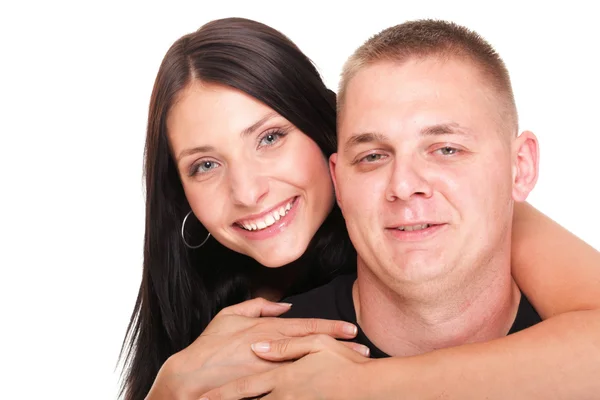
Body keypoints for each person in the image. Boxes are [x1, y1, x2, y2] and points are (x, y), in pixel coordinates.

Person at [120, 17, 600, 400]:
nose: (247, 191)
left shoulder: (478, 216)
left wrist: (360, 385)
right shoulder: (222, 340)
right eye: (205, 164)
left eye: (269, 137)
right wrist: (169, 389)